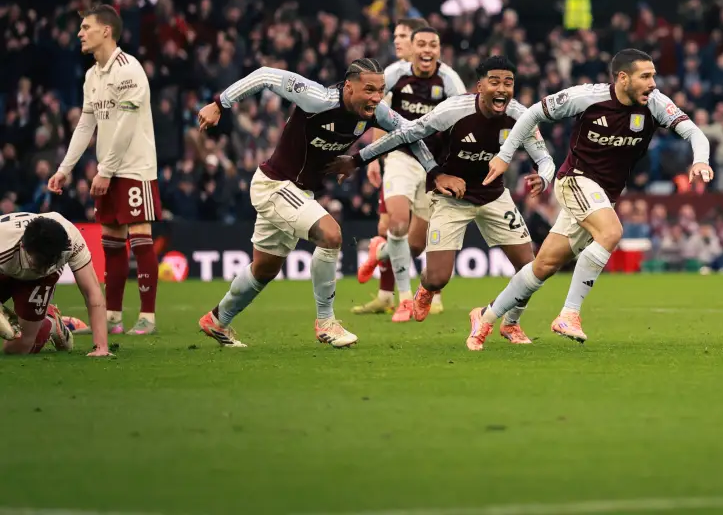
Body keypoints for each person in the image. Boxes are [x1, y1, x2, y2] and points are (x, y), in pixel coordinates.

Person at [472, 49, 712, 346]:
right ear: (623, 78)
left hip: (603, 195)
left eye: (653, 76)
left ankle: (485, 317)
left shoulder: (656, 103)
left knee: (543, 266)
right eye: (645, 76)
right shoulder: (587, 97)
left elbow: (694, 133)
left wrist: (701, 160)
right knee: (611, 232)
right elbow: (533, 113)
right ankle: (569, 314)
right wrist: (505, 156)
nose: (652, 83)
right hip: (574, 180)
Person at [194, 58, 438, 348]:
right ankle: (326, 323)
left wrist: (432, 170)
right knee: (331, 234)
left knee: (264, 270)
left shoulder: (376, 112)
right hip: (274, 185)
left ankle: (217, 320)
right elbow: (265, 75)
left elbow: (411, 134)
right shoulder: (317, 98)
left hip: (298, 193)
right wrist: (220, 104)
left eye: (380, 90)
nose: (375, 97)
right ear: (349, 87)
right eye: (369, 89)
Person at [329, 56, 555, 345]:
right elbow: (406, 134)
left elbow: (545, 159)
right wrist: (358, 159)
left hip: (494, 196)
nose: (502, 89)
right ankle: (424, 290)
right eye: (494, 82)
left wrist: (543, 177)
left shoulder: (521, 116)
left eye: (508, 83)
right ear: (479, 86)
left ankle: (510, 323)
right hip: (452, 198)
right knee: (437, 279)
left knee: (531, 269)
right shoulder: (453, 110)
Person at [48, 5, 161, 336]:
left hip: (134, 167)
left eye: (86, 27)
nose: (80, 33)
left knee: (140, 238)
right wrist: (65, 169)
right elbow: (85, 125)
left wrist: (106, 170)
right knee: (111, 241)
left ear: (106, 31)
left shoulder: (129, 70)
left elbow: (126, 126)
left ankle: (148, 318)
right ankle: (112, 317)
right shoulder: (92, 76)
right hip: (108, 170)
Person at [355, 24, 465, 322]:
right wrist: (374, 156)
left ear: (439, 50)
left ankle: (379, 252)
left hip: (432, 166)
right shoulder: (394, 74)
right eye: (422, 44)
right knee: (399, 223)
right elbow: (371, 104)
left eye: (433, 45)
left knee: (415, 245)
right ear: (412, 48)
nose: (427, 50)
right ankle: (404, 299)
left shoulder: (449, 79)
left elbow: (465, 117)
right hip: (401, 157)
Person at [0, 212, 110, 356]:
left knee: (16, 349)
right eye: (38, 262)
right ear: (23, 246)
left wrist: (101, 347)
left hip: (39, 282)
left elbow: (92, 291)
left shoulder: (71, 239)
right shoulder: (4, 242)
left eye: (49, 263)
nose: (43, 269)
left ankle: (50, 324)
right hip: (4, 267)